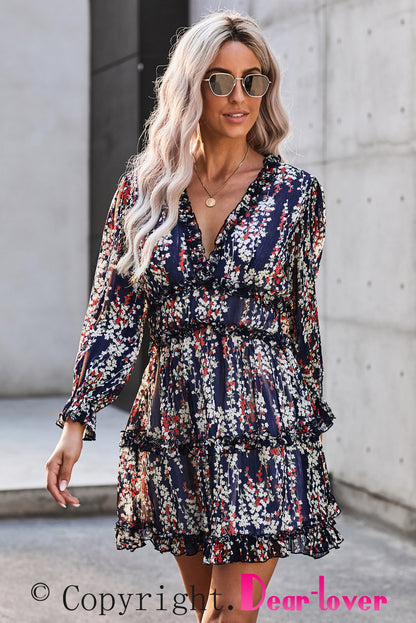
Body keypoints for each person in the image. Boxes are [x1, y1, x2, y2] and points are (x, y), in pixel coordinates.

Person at [46, 10, 343, 623]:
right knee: (206, 610)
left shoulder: (296, 194)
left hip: (263, 422)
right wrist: (77, 421)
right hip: (174, 421)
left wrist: (307, 422)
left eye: (254, 81)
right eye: (220, 79)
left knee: (232, 614)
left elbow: (299, 312)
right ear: (190, 86)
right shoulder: (145, 190)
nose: (240, 97)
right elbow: (114, 309)